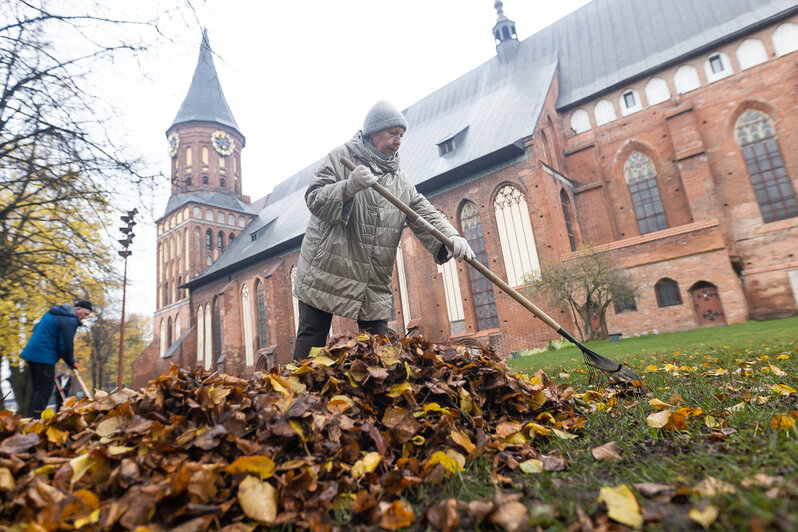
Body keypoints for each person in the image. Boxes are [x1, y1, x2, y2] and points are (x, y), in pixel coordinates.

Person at [291, 100, 475, 360]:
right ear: (372, 133)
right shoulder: (341, 157)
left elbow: (421, 210)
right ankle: (300, 391)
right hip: (326, 270)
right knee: (313, 340)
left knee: (380, 348)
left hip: (371, 278)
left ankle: (377, 395)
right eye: (392, 133)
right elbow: (314, 199)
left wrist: (451, 237)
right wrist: (348, 186)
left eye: (401, 135)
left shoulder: (399, 179)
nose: (398, 140)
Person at [20, 300, 92, 417]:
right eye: (85, 314)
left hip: (32, 354)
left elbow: (37, 328)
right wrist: (71, 362)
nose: (84, 317)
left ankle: (29, 419)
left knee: (37, 389)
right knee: (45, 389)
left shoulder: (53, 313)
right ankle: (35, 420)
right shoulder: (69, 319)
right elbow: (66, 345)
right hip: (43, 356)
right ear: (77, 308)